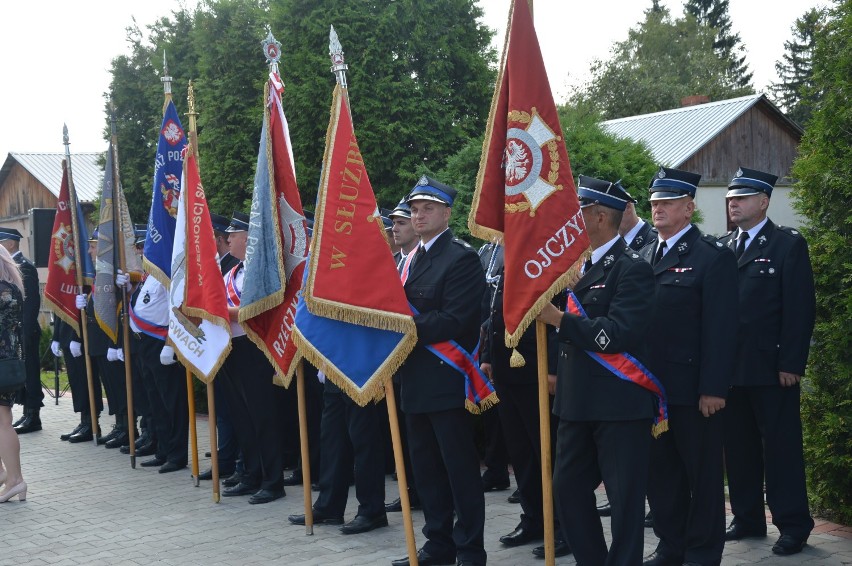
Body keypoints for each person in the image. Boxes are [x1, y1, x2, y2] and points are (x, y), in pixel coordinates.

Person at [536, 176, 657, 565]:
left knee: (623, 502)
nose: (571, 220)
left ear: (600, 216)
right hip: (575, 402)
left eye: (578, 212)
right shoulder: (572, 265)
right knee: (567, 490)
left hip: (618, 403)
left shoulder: (631, 268)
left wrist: (559, 321)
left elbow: (619, 333)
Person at [639, 167, 738, 566]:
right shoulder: (644, 256)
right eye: (654, 203)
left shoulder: (712, 257)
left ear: (688, 207)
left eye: (666, 202)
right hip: (651, 388)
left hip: (694, 389)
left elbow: (722, 329)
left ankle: (701, 551)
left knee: (702, 477)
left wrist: (713, 388)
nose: (658, 209)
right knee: (661, 475)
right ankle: (671, 544)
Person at [391, 176, 487, 566]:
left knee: (459, 471)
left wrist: (401, 328)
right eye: (414, 209)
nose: (418, 215)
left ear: (447, 213)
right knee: (426, 470)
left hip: (448, 381)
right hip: (413, 380)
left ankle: (469, 549)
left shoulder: (461, 257)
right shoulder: (407, 260)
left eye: (427, 208)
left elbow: (457, 320)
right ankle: (438, 546)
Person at [721, 168, 816, 556]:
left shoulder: (786, 244)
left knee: (781, 449)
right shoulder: (723, 246)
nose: (733, 203)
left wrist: (792, 362)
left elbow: (799, 309)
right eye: (730, 198)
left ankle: (793, 525)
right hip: (731, 369)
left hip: (773, 369)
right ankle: (747, 518)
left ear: (764, 201)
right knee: (739, 447)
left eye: (741, 198)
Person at [479, 241, 560, 556]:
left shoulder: (546, 256)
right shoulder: (505, 258)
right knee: (522, 454)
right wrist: (487, 355)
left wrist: (553, 368)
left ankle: (561, 525)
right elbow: (494, 312)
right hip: (506, 371)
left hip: (536, 372)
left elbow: (557, 317)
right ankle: (533, 520)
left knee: (547, 452)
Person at [217, 212, 288, 504]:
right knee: (241, 416)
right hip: (232, 347)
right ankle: (251, 473)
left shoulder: (261, 272)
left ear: (248, 238)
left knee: (262, 416)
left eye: (234, 234)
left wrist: (219, 311)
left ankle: (273, 481)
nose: (229, 238)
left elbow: (257, 310)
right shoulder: (232, 273)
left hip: (255, 347)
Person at [287, 374, 388, 534]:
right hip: (334, 372)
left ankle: (372, 510)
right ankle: (329, 506)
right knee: (332, 439)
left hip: (358, 371)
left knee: (364, 441)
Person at [384, 198, 422, 513]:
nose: (395, 228)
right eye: (395, 223)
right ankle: (410, 488)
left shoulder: (418, 261)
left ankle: (420, 490)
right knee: (407, 433)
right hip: (399, 360)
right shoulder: (397, 263)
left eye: (400, 222)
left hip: (426, 359)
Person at [0, 228, 42, 435]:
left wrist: (23, 331)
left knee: (31, 374)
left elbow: (31, 303)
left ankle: (34, 414)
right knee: (22, 375)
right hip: (15, 333)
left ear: (10, 244)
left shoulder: (25, 267)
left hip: (25, 331)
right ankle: (27, 412)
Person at [0, 245, 28, 502]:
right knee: (3, 421)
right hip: (9, 362)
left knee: (3, 423)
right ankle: (7, 475)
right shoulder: (13, 289)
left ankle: (14, 479)